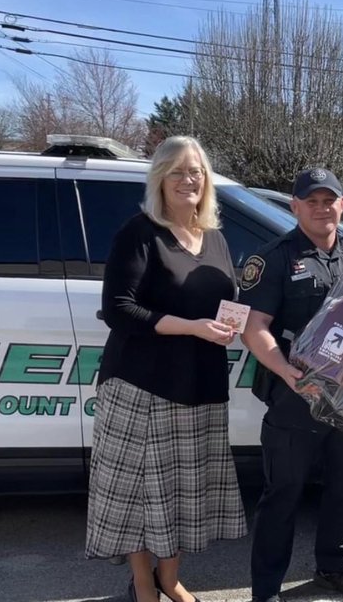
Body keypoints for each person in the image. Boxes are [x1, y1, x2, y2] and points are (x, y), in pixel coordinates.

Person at [86, 136, 246, 602]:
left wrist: (229, 323)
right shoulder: (139, 232)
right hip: (142, 387)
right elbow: (119, 310)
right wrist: (193, 327)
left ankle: (169, 578)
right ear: (159, 179)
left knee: (180, 495)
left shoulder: (215, 237)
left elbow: (226, 301)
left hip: (199, 385)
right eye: (176, 171)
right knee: (138, 495)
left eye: (195, 170)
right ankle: (143, 585)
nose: (188, 179)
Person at [240, 168, 343, 602]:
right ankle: (265, 589)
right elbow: (254, 327)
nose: (321, 208)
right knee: (283, 494)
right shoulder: (274, 258)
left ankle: (335, 568)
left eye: (329, 200)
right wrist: (283, 370)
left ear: (342, 204)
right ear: (295, 206)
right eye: (310, 201)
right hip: (296, 395)